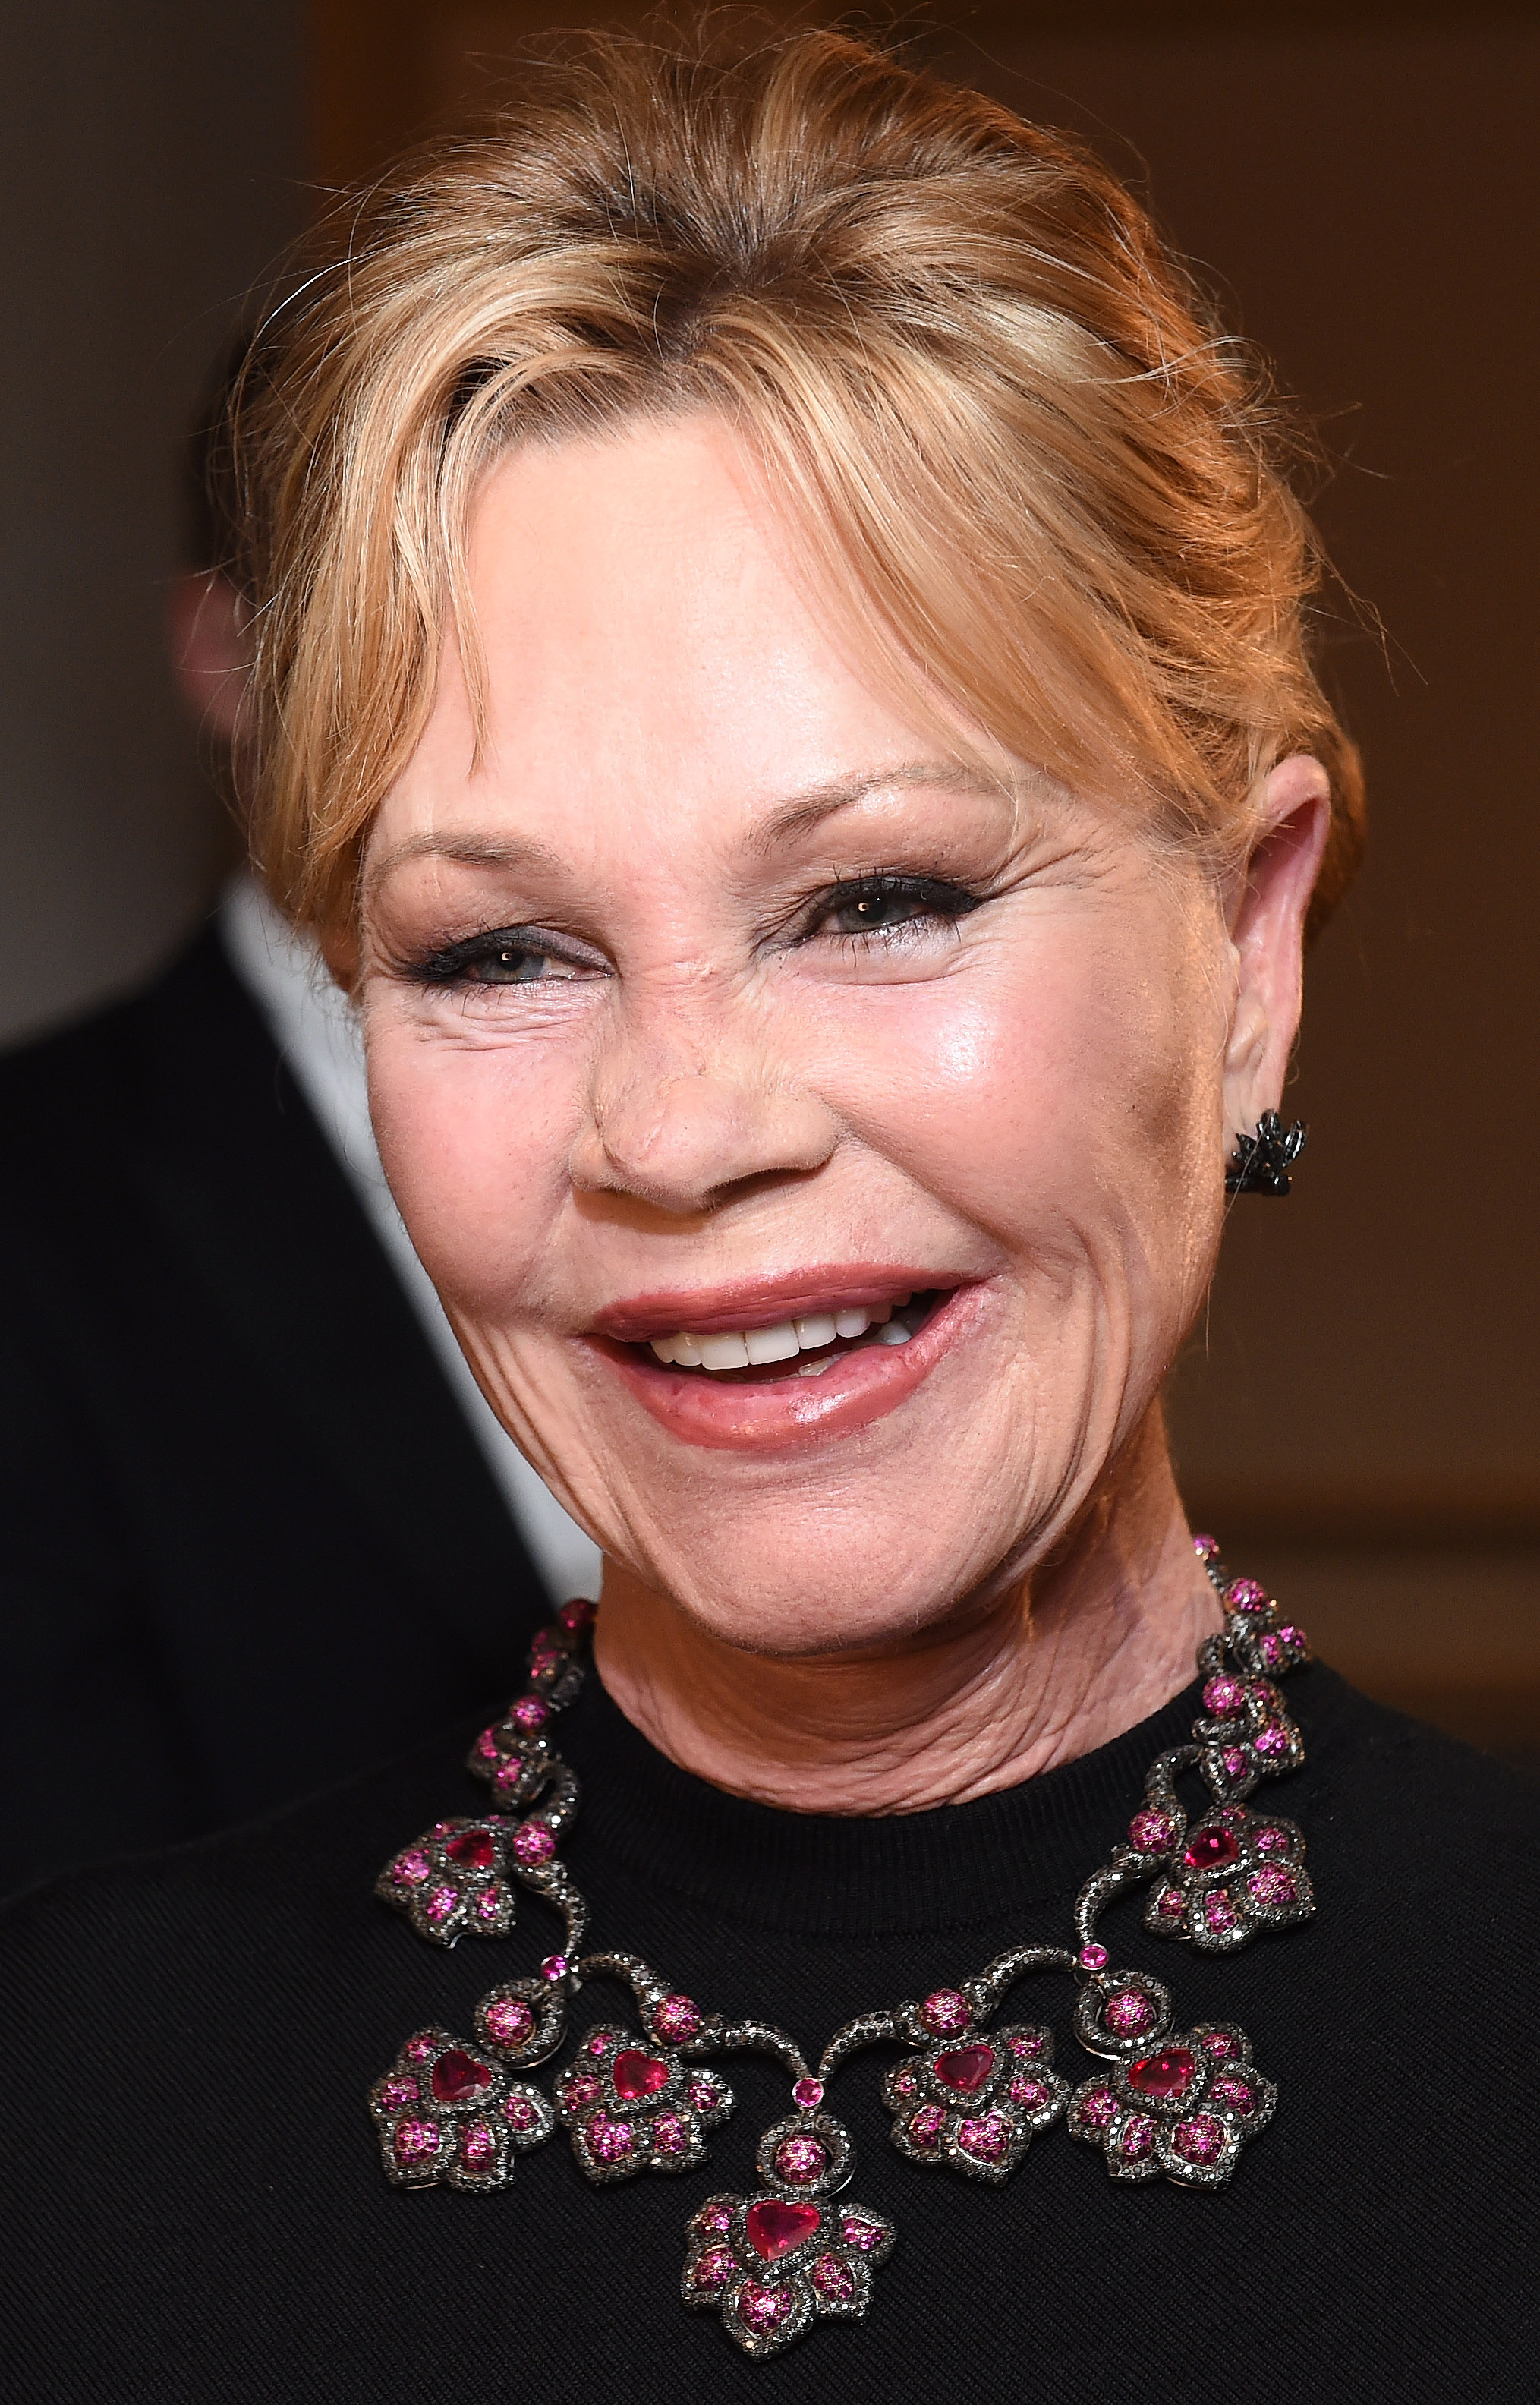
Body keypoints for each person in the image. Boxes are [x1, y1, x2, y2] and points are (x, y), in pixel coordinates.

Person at [4, 29, 1530, 2400]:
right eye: (496, 953)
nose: (680, 1129)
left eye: (876, 899)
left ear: (1244, 948)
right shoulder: (67, 2113)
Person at [0, 403, 597, 1899]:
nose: (516, 695)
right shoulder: (39, 1196)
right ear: (229, 659)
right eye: (399, 621)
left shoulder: (779, 1094)